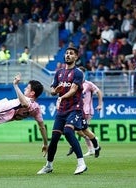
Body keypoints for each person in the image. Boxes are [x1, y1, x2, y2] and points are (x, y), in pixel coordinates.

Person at [37, 47, 87, 175]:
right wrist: (56, 91)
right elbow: (53, 90)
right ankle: (49, 165)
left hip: (75, 108)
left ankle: (81, 163)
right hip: (62, 110)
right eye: (67, 53)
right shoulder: (59, 72)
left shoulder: (78, 73)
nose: (68, 55)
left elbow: (74, 89)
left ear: (76, 57)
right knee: (54, 138)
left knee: (68, 131)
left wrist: (62, 96)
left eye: (71, 54)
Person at [66, 66, 102, 157]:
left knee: (78, 129)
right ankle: (92, 144)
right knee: (79, 130)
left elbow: (99, 92)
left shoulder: (88, 84)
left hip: (86, 111)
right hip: (77, 110)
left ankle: (92, 143)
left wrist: (100, 104)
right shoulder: (74, 85)